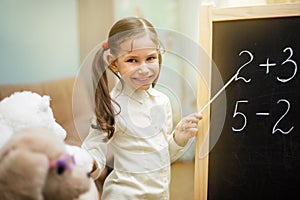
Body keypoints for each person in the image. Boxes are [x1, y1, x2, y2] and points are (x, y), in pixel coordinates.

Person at [82, 16, 202, 200]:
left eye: (150, 58)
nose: (144, 69)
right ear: (114, 63)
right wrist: (85, 162)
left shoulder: (162, 101)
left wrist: (178, 138)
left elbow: (159, 157)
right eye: (132, 60)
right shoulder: (112, 106)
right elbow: (93, 150)